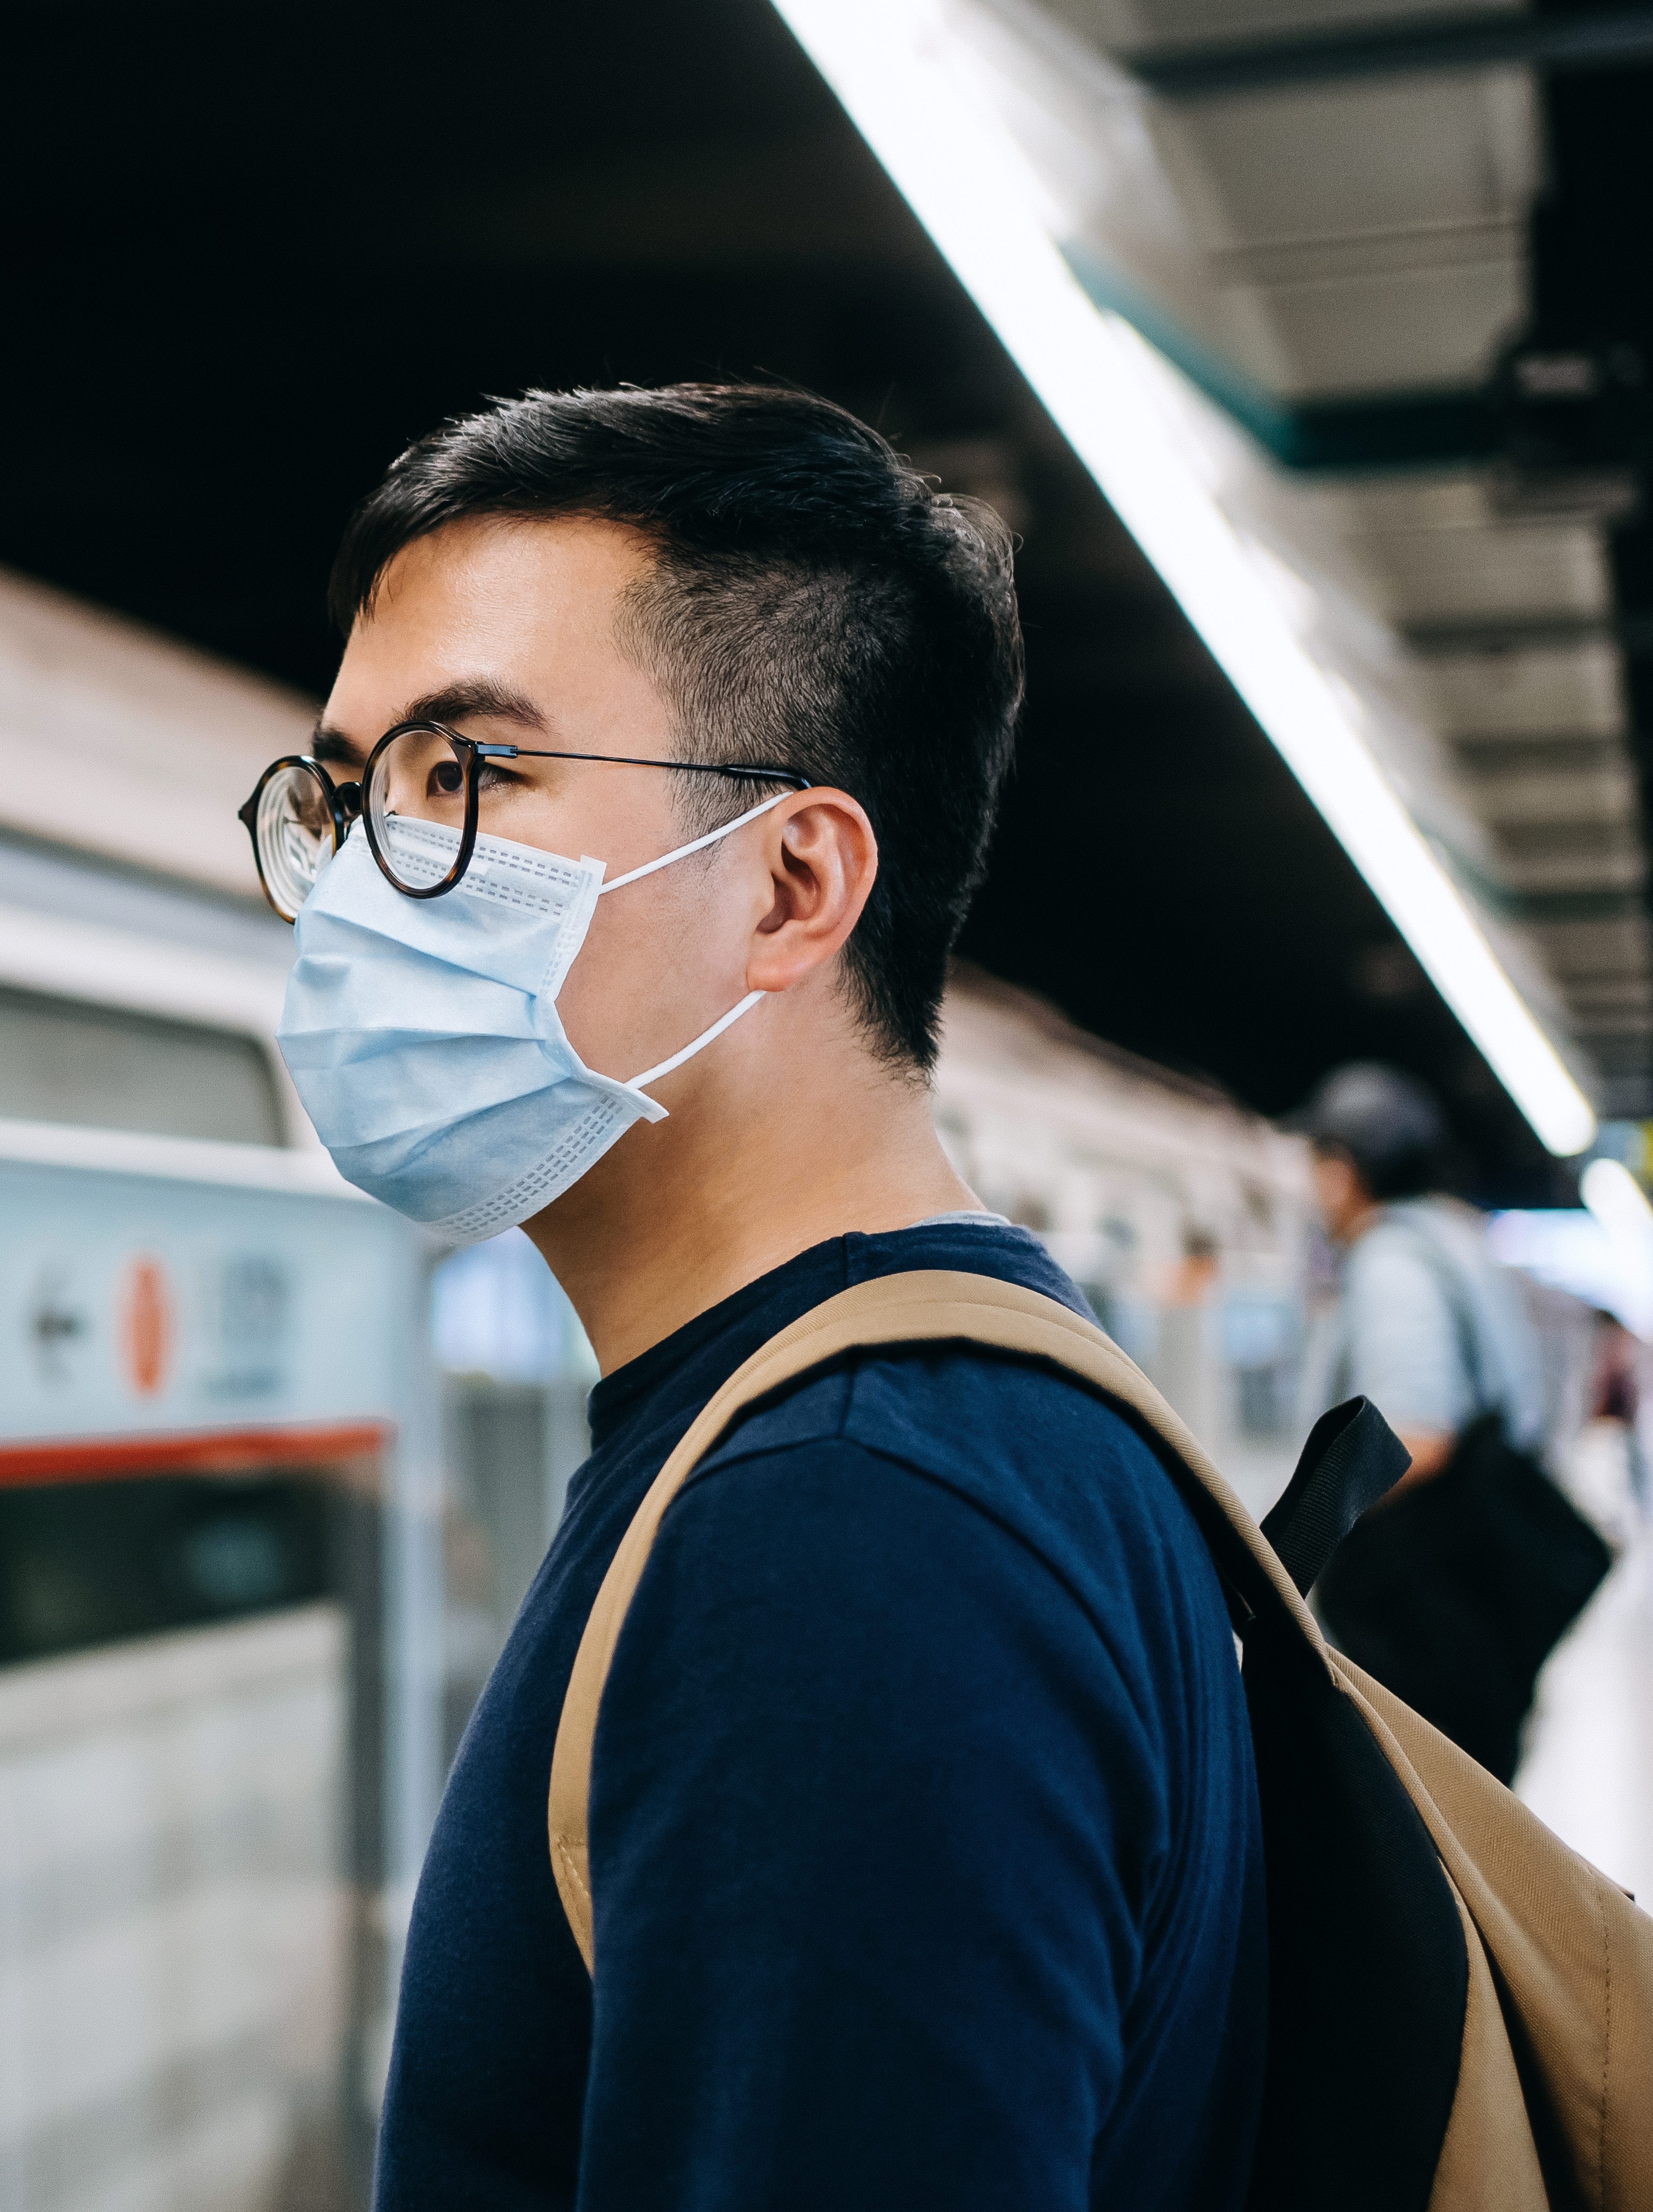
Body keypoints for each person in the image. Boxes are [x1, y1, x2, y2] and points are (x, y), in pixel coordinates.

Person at [252, 385, 1261, 2208]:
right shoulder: (921, 1432)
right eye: (345, 791)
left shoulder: (845, 1530)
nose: (353, 889)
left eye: (463, 775)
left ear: (795, 887)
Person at [1288, 1061, 1559, 1780]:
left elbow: (1417, 1435)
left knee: (1424, 1838)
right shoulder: (1458, 1240)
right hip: (1479, 1603)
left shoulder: (1391, 1261)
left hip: (1428, 1618)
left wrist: (1289, 1542)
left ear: (1343, 1171)